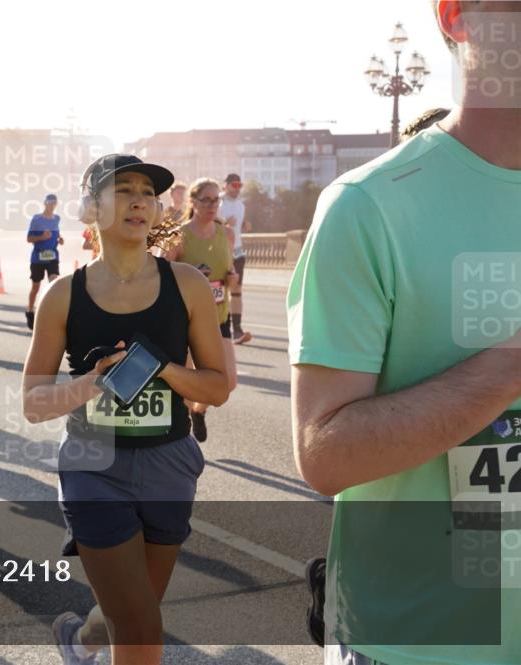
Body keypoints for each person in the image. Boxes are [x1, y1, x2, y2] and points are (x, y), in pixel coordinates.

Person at [289, 3, 521, 664]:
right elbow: (325, 455)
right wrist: (508, 368)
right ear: (457, 16)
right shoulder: (370, 206)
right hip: (414, 645)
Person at [22, 154, 228, 665]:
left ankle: (80, 640)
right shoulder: (62, 295)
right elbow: (31, 403)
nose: (139, 199)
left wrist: (162, 369)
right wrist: (92, 383)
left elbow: (219, 387)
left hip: (170, 461)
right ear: (91, 208)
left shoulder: (187, 285)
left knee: (133, 614)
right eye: (122, 190)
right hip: (95, 465)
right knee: (140, 625)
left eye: (147, 192)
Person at [164, 178, 241, 443]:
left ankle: (198, 411)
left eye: (215, 200)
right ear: (193, 202)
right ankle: (181, 435)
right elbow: (162, 274)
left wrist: (232, 279)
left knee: (228, 381)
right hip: (184, 319)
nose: (212, 206)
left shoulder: (227, 235)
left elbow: (229, 270)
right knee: (187, 383)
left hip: (219, 315)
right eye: (205, 200)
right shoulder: (179, 235)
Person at [218, 174, 252, 345]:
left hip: (238, 252)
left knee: (237, 292)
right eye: (234, 185)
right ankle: (219, 328)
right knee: (219, 293)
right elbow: (207, 224)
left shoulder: (240, 204)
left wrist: (245, 224)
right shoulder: (216, 202)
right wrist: (223, 224)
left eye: (240, 185)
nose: (237, 188)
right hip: (220, 251)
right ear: (225, 185)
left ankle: (237, 330)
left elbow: (238, 224)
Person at [25, 193, 64, 330]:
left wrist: (60, 239)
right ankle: (30, 311)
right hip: (38, 257)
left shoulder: (57, 219)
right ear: (45, 204)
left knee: (54, 284)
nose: (52, 206)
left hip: (52, 257)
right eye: (50, 203)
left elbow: (56, 233)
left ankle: (51, 314)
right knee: (36, 287)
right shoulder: (37, 219)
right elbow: (29, 239)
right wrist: (41, 237)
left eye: (54, 203)